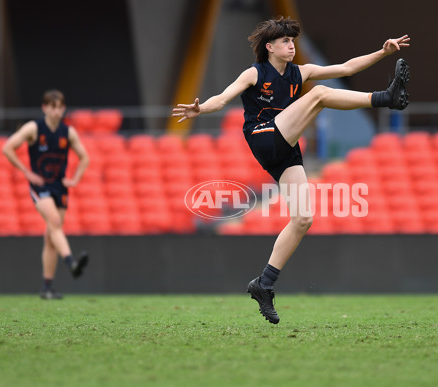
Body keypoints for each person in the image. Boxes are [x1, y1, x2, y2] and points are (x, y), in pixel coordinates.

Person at [173, 16, 410, 323]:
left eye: (293, 40)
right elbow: (221, 100)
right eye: (285, 41)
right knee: (320, 95)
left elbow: (347, 68)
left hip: (284, 146)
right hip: (263, 137)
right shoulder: (254, 73)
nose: (291, 45)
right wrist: (199, 109)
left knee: (303, 219)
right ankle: (385, 98)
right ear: (269, 47)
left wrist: (383, 53)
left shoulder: (301, 71)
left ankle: (264, 284)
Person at [2, 89, 90, 299]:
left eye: (60, 107)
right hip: (40, 186)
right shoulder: (34, 128)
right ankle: (72, 262)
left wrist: (75, 179)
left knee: (51, 238)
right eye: (53, 106)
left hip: (60, 187)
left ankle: (46, 287)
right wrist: (27, 172)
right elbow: (8, 148)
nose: (57, 111)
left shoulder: (68, 132)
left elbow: (84, 157)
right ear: (45, 108)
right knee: (54, 222)